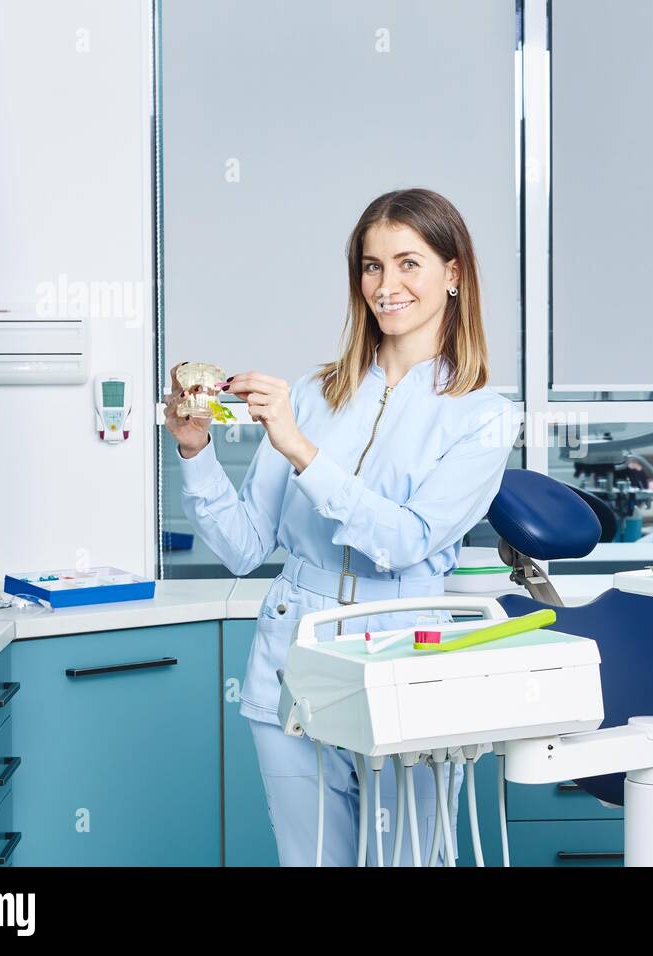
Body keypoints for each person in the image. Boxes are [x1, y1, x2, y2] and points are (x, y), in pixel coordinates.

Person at [165, 188, 515, 865]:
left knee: (408, 860)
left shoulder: (481, 417)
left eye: (408, 263)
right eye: (371, 266)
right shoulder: (311, 394)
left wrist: (301, 449)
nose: (387, 286)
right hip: (292, 670)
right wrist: (194, 449)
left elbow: (404, 540)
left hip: (404, 669)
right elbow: (241, 549)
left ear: (454, 273)